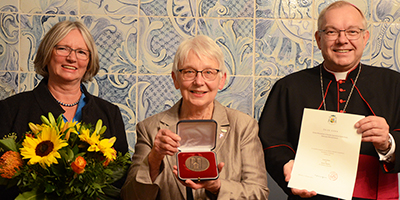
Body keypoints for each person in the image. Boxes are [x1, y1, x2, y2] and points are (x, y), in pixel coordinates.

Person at [258, 1, 400, 199]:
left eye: (352, 32)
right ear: (318, 39)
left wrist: (388, 143)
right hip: (310, 195)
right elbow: (272, 142)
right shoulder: (289, 87)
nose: (342, 40)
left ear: (365, 37)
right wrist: (287, 165)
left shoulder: (393, 84)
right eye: (332, 32)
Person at [121, 35, 269, 200]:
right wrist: (154, 158)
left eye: (208, 72)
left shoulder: (244, 127)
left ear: (222, 80)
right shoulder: (150, 128)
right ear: (175, 79)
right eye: (189, 72)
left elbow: (259, 194)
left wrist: (217, 187)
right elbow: (129, 197)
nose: (199, 81)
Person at [0, 20, 128, 199]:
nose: (72, 58)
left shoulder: (109, 113)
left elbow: (120, 182)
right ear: (47, 53)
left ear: (89, 62)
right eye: (62, 49)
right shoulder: (11, 109)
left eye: (81, 52)